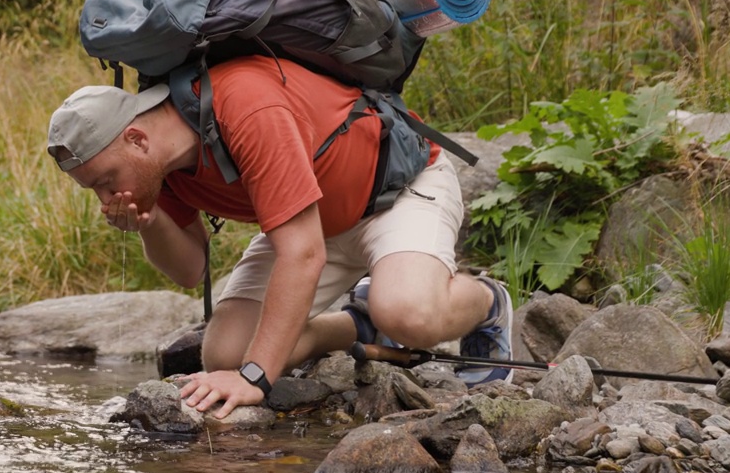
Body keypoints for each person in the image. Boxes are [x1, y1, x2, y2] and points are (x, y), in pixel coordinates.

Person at [46, 54, 512, 419]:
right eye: (96, 189)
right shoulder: (156, 168)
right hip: (310, 218)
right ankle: (359, 321)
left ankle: (487, 302)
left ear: (137, 138)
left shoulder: (246, 106)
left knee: (409, 313)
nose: (106, 195)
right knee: (223, 354)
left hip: (395, 192)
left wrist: (256, 377)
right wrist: (149, 220)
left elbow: (302, 255)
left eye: (106, 180)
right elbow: (191, 270)